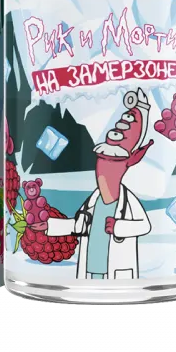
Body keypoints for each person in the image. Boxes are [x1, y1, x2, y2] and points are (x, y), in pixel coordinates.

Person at [31, 88, 154, 279]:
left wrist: (119, 227)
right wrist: (48, 226)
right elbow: (78, 226)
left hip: (117, 274)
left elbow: (144, 226)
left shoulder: (128, 203)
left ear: (126, 164)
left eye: (110, 162)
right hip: (90, 271)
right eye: (101, 161)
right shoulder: (93, 201)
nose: (101, 172)